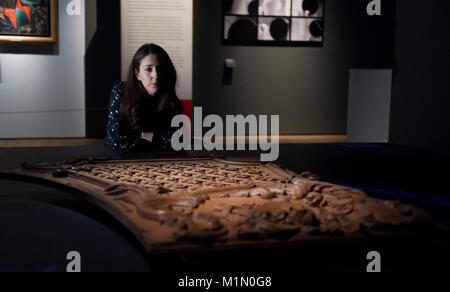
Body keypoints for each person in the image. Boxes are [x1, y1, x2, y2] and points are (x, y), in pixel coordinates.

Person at [105, 43, 183, 152]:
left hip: (161, 163)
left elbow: (180, 142)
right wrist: (158, 139)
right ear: (137, 74)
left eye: (160, 69)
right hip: (124, 162)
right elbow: (116, 141)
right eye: (149, 69)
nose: (155, 75)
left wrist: (146, 136)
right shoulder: (121, 91)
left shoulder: (169, 99)